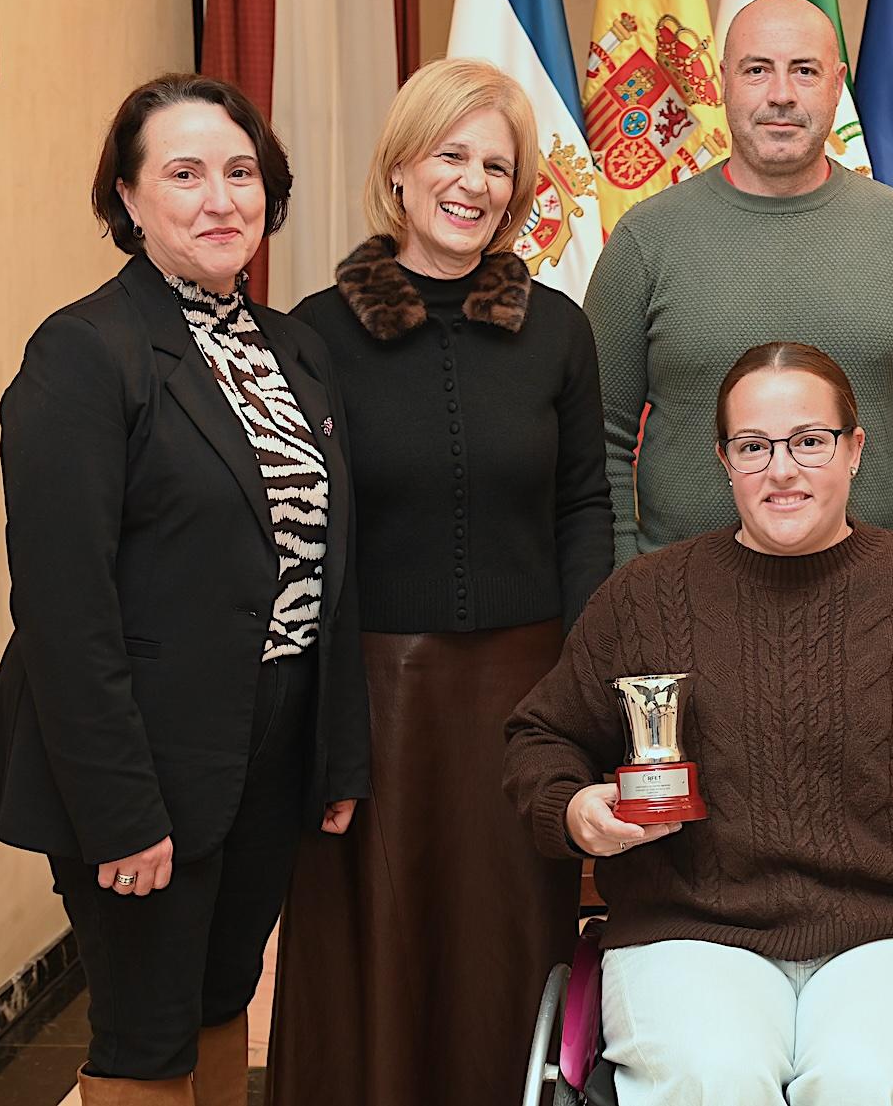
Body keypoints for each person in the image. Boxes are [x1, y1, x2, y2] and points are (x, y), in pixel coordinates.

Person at [504, 342, 893, 1106]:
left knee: (867, 1081)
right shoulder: (645, 598)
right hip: (688, 930)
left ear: (856, 450)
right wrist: (574, 810)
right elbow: (540, 737)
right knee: (713, 1077)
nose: (781, 470)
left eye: (809, 441)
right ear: (723, 459)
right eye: (753, 446)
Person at [0, 73, 368, 1106]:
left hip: (267, 755)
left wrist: (329, 751)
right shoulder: (83, 353)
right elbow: (64, 611)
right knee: (145, 1035)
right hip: (137, 761)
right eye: (184, 174)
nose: (219, 199)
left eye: (241, 173)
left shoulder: (297, 349)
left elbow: (328, 571)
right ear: (130, 198)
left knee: (222, 996)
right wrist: (118, 813)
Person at [265, 59, 612, 1106]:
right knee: (374, 943)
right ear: (401, 170)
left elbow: (585, 506)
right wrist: (320, 718)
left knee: (510, 940)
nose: (474, 182)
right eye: (451, 155)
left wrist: (583, 677)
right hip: (371, 698)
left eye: (496, 165)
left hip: (526, 697)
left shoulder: (558, 328)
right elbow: (301, 534)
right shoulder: (315, 333)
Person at [586, 0, 893, 566]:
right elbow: (600, 436)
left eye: (804, 71)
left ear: (836, 84)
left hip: (873, 597)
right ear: (723, 82)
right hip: (681, 595)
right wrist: (627, 581)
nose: (781, 95)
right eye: (757, 70)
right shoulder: (646, 238)